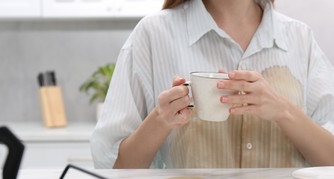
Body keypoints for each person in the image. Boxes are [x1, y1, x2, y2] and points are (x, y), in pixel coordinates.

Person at [91, 0, 334, 169]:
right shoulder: (152, 35)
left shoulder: (300, 38)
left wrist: (284, 111)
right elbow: (115, 168)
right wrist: (161, 119)